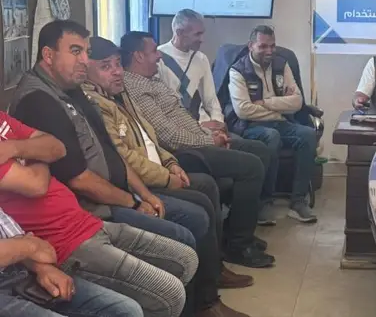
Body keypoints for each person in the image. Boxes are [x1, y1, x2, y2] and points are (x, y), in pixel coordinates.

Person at [84, 37, 251, 317]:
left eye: (117, 64)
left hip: (159, 168)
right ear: (86, 68)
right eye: (106, 66)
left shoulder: (120, 93)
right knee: (197, 211)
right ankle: (206, 302)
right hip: (136, 186)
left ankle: (213, 275)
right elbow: (124, 158)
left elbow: (150, 137)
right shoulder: (95, 104)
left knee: (207, 188)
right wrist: (164, 177)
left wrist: (171, 163)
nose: (116, 72)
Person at [8, 21, 209, 253]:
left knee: (198, 209)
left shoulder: (71, 88)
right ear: (48, 55)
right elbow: (79, 180)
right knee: (184, 231)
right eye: (75, 51)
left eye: (86, 52)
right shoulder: (39, 101)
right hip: (92, 207)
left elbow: (110, 148)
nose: (84, 60)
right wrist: (134, 203)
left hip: (119, 190)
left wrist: (144, 194)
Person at [0, 111, 197, 317]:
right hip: (64, 242)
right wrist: (37, 153)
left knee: (186, 260)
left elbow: (57, 147)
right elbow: (37, 184)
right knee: (167, 295)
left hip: (84, 221)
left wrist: (16, 148)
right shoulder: (37, 101)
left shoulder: (2, 119)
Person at [119, 31, 274, 268]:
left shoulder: (152, 79)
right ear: (138, 56)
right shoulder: (136, 87)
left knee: (259, 150)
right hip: (184, 152)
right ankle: (238, 246)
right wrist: (209, 141)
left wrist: (208, 133)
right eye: (153, 51)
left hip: (198, 138)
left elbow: (180, 117)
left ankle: (236, 230)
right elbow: (169, 136)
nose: (159, 56)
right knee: (251, 166)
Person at [156, 11, 281, 227]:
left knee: (259, 150)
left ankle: (245, 217)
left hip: (209, 127)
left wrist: (219, 126)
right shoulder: (158, 60)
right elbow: (166, 112)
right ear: (180, 32)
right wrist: (203, 128)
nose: (202, 39)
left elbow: (211, 100)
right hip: (187, 132)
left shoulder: (201, 58)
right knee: (248, 164)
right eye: (197, 34)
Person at [227, 26, 317, 224]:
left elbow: (297, 102)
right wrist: (280, 107)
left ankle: (298, 201)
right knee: (271, 136)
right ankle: (264, 202)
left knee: (308, 135)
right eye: (263, 46)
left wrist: (265, 103)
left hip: (281, 122)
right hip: (250, 126)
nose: (269, 51)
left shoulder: (282, 64)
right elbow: (243, 110)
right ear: (251, 46)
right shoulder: (238, 71)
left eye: (273, 46)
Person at [0, 199, 143, 317]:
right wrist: (30, 247)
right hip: (70, 241)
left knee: (126, 309)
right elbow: (38, 186)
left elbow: (15, 234)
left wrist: (41, 267)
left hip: (19, 267)